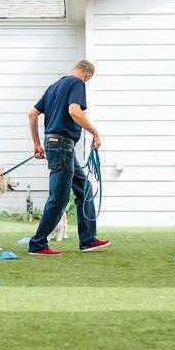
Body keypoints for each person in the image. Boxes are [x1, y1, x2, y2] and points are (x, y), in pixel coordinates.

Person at [26, 59, 111, 255]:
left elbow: (32, 114)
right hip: (62, 146)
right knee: (59, 198)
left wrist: (37, 143)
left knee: (85, 188)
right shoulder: (77, 83)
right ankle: (37, 244)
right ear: (87, 77)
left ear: (73, 69)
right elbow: (74, 111)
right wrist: (95, 132)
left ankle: (88, 240)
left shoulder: (54, 86)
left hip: (56, 145)